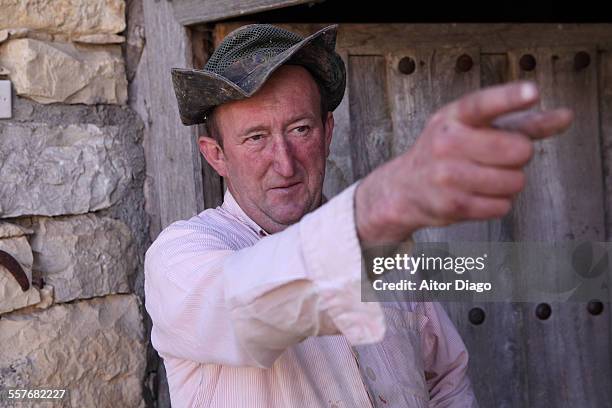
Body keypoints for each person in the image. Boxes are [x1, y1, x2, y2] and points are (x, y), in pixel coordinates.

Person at [144, 24, 573, 407]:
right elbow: (241, 306)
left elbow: (446, 380)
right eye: (255, 138)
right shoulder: (180, 257)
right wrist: (374, 208)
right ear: (216, 156)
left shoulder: (387, 251)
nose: (286, 163)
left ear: (328, 131)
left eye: (300, 130)